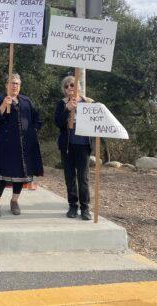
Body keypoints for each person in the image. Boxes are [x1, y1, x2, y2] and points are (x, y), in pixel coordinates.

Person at [0, 74, 43, 217]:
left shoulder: (26, 101)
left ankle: (14, 201)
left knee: (20, 174)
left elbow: (38, 119)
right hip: (6, 143)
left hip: (24, 144)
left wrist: (33, 131)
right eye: (12, 83)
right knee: (2, 175)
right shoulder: (0, 99)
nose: (15, 86)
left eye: (17, 84)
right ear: (6, 85)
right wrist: (3, 106)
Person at [54, 75, 93, 220]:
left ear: (79, 87)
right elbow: (57, 123)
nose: (70, 88)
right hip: (67, 146)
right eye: (67, 86)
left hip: (83, 145)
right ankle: (72, 206)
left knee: (83, 178)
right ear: (64, 90)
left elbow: (96, 123)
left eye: (72, 85)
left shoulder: (89, 103)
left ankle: (85, 208)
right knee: (69, 177)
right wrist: (67, 109)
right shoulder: (62, 103)